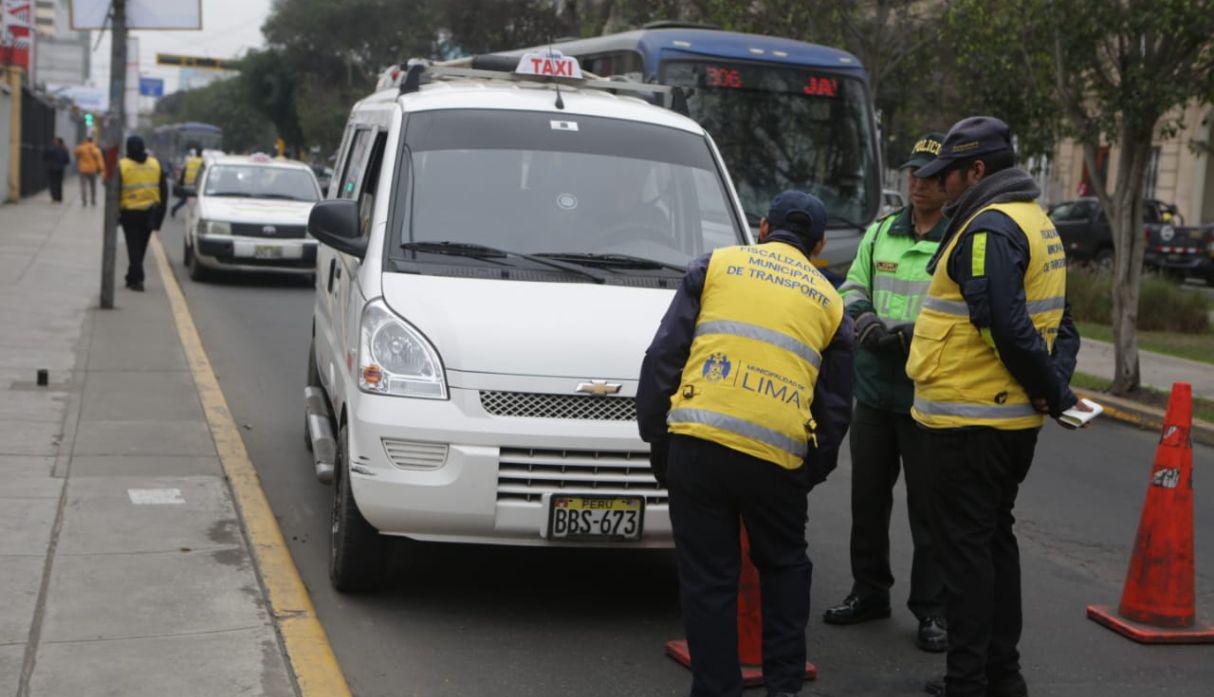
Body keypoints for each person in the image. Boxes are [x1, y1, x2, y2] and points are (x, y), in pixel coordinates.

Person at [637, 191, 854, 697]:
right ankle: (783, 688)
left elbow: (663, 357)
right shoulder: (830, 302)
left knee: (709, 582)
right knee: (784, 570)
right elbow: (837, 406)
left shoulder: (714, 267)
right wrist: (809, 468)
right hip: (776, 462)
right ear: (818, 244)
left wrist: (658, 439)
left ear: (761, 227)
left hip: (699, 445)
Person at [906, 116, 1086, 697]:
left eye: (948, 175)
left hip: (969, 422)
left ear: (977, 171)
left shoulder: (988, 229)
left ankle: (968, 680)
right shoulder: (1038, 222)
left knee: (965, 556)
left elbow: (1004, 325)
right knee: (993, 543)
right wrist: (1050, 387)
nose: (941, 185)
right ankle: (1001, 675)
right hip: (1007, 422)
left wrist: (1052, 391)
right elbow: (1065, 325)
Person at [824, 133, 949, 652]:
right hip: (875, 391)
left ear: (949, 182)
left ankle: (932, 611)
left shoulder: (957, 238)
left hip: (926, 397)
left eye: (929, 175)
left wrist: (912, 330)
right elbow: (851, 286)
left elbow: (955, 308)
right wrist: (864, 316)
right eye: (912, 174)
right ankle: (869, 591)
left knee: (929, 509)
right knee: (867, 501)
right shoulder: (880, 235)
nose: (918, 182)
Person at [117, 135, 168, 292]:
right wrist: (160, 217)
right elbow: (164, 192)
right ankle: (131, 277)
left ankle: (138, 280)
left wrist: (115, 215)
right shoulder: (155, 164)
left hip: (129, 213)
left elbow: (115, 192)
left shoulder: (122, 166)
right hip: (150, 213)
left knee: (134, 248)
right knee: (141, 248)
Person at [171, 143, 203, 218]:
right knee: (196, 199)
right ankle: (192, 213)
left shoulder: (190, 160)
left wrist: (181, 182)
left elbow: (184, 171)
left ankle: (175, 208)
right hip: (196, 184)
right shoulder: (202, 161)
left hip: (187, 182)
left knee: (185, 198)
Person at [73, 136, 106, 206]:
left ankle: (84, 200)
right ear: (92, 141)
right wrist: (102, 169)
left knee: (83, 185)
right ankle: (93, 200)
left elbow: (75, 153)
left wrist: (81, 146)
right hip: (92, 169)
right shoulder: (96, 149)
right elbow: (100, 160)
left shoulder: (82, 147)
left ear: (86, 140)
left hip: (83, 169)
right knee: (93, 186)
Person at [43, 137, 70, 203]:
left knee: (52, 183)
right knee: (59, 183)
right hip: (60, 168)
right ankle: (59, 197)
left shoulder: (50, 148)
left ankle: (54, 197)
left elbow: (44, 157)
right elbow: (67, 160)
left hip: (51, 168)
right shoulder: (64, 149)